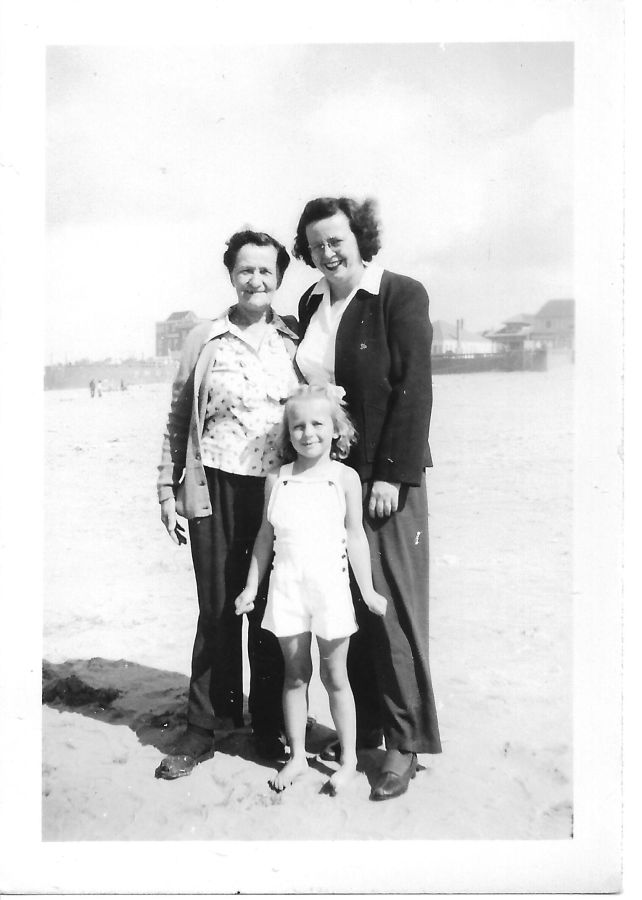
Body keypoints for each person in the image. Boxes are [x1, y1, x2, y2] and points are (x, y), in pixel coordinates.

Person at [292, 196, 442, 801]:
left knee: (393, 608)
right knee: (347, 604)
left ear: (361, 236)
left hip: (383, 480)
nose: (327, 253)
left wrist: (391, 474)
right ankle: (370, 729)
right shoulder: (311, 302)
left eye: (337, 240)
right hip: (328, 479)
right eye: (315, 245)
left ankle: (405, 743)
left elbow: (415, 388)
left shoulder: (400, 294)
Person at [155, 229, 299, 780]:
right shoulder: (204, 337)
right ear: (231, 275)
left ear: (279, 278)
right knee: (217, 606)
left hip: (274, 492)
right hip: (212, 487)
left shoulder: (293, 339)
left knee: (267, 607)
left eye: (266, 271)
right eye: (246, 270)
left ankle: (265, 723)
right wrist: (167, 490)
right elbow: (176, 418)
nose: (255, 280)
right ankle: (205, 725)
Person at [235, 383, 387, 794]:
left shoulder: (345, 478)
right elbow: (264, 539)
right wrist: (252, 587)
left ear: (336, 429)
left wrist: (369, 592)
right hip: (287, 589)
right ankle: (298, 757)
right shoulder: (277, 479)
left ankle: (350, 761)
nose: (308, 433)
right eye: (297, 426)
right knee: (295, 676)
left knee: (336, 677)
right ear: (288, 433)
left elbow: (356, 537)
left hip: (330, 590)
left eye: (318, 424)